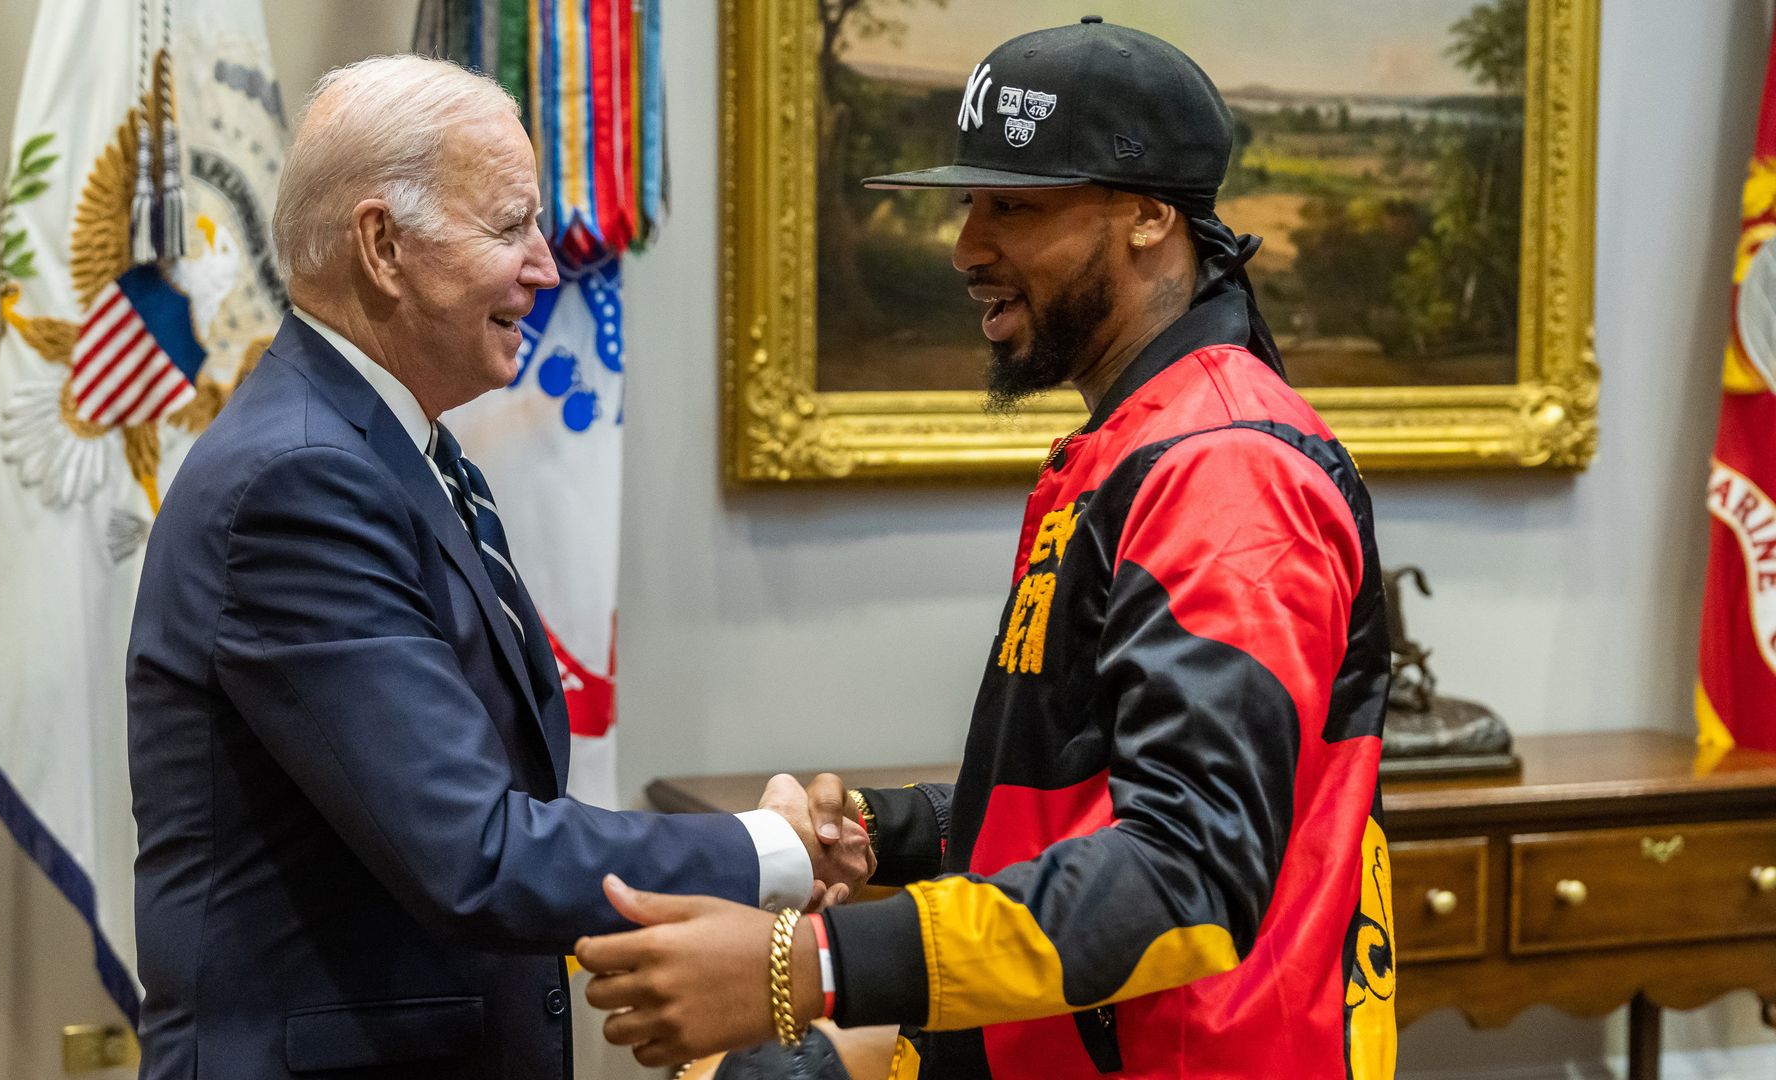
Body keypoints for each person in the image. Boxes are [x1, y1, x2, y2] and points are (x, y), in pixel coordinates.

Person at [575, 19, 1395, 1080]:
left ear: (1151, 218)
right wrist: (889, 830)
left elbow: (1188, 868)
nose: (966, 247)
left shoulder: (1226, 469)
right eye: (969, 203)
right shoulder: (1136, 444)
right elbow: (1096, 785)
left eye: (1015, 205)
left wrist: (807, 965)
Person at [125, 55, 868, 1080]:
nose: (547, 268)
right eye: (509, 225)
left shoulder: (393, 449)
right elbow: (475, 854)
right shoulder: (300, 484)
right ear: (383, 246)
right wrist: (772, 850)